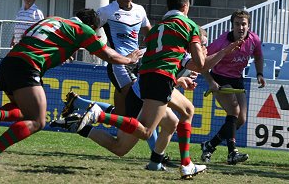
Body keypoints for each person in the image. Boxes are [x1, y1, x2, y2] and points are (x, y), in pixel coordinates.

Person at [51, 25, 242, 172]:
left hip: (145, 93)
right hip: (142, 96)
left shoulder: (178, 52)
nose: (205, 48)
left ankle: (79, 125)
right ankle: (185, 164)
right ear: (193, 44)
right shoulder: (183, 54)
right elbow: (162, 82)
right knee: (184, 112)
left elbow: (164, 82)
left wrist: (180, 80)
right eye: (202, 44)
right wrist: (223, 52)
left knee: (167, 125)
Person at [0, 8, 143, 173]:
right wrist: (129, 59)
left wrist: (61, 50)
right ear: (91, 25)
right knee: (38, 121)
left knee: (23, 111)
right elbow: (107, 55)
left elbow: (34, 39)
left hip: (9, 62)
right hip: (27, 66)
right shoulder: (82, 29)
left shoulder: (52, 19)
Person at [200, 10, 265, 165]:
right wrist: (210, 81)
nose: (240, 27)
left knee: (240, 119)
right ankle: (232, 153)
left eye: (244, 24)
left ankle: (209, 146)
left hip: (237, 79)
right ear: (232, 26)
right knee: (234, 111)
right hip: (220, 78)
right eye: (237, 24)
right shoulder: (221, 42)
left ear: (249, 26)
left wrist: (260, 73)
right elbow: (201, 62)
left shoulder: (254, 39)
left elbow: (258, 55)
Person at [97, 0, 151, 116]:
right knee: (141, 100)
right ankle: (148, 135)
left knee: (121, 114)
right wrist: (104, 49)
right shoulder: (106, 11)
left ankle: (80, 103)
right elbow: (87, 32)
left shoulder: (140, 10)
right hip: (119, 65)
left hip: (137, 65)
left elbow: (150, 35)